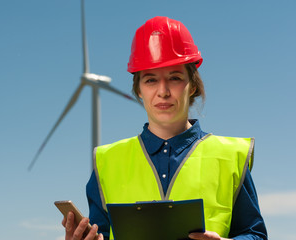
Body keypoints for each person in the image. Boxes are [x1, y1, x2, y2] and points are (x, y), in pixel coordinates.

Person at [62, 16, 268, 240]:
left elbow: (255, 235)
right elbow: (101, 233)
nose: (163, 91)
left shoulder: (231, 156)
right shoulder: (106, 162)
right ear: (138, 90)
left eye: (175, 78)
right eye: (150, 80)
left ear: (192, 86)